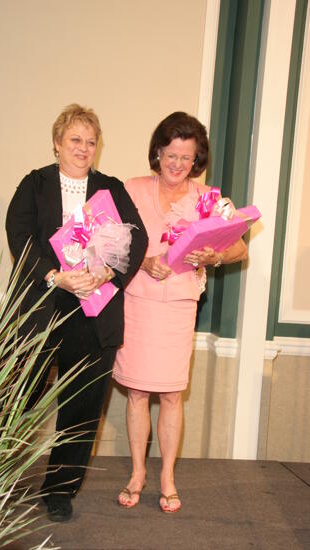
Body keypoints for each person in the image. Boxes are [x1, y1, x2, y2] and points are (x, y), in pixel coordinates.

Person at [5, 103, 148, 522]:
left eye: (90, 141)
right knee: (18, 398)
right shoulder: (34, 185)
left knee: (82, 406)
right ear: (56, 143)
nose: (83, 148)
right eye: (75, 140)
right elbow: (20, 237)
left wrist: (106, 273)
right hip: (42, 307)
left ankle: (60, 491)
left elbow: (135, 242)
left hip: (94, 312)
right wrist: (56, 276)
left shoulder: (111, 189)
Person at [113, 111, 247, 513]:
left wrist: (216, 254)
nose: (177, 164)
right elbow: (109, 244)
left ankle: (167, 477)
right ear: (157, 152)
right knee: (137, 390)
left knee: (171, 394)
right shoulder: (131, 189)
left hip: (179, 307)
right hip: (137, 302)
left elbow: (240, 246)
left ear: (197, 160)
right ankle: (137, 473)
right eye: (171, 154)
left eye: (186, 158)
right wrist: (142, 261)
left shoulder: (210, 199)